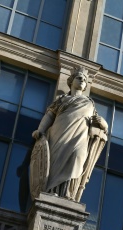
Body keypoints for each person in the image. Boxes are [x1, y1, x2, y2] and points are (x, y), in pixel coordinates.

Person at [31, 66, 108, 202]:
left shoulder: (89, 103)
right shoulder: (62, 99)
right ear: (71, 81)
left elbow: (99, 126)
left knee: (77, 158)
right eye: (79, 78)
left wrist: (104, 123)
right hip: (60, 134)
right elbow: (49, 115)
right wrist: (40, 130)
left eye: (84, 80)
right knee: (56, 162)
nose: (82, 81)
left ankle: (68, 194)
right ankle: (52, 191)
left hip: (80, 138)